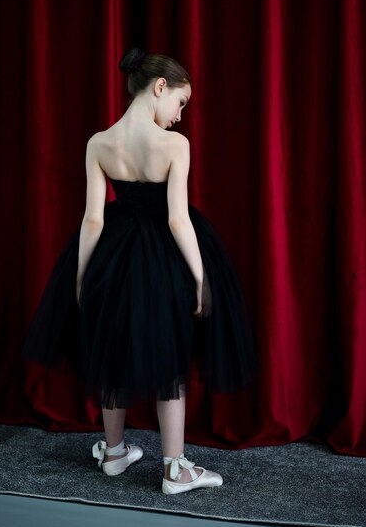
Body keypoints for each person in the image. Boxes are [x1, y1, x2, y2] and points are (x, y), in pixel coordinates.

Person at [23, 47, 257, 495]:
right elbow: (177, 219)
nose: (181, 116)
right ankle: (175, 469)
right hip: (164, 257)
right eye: (181, 103)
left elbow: (93, 219)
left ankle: (113, 453)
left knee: (113, 347)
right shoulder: (174, 146)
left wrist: (80, 278)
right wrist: (201, 276)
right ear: (160, 87)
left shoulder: (99, 143)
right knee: (168, 355)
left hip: (114, 253)